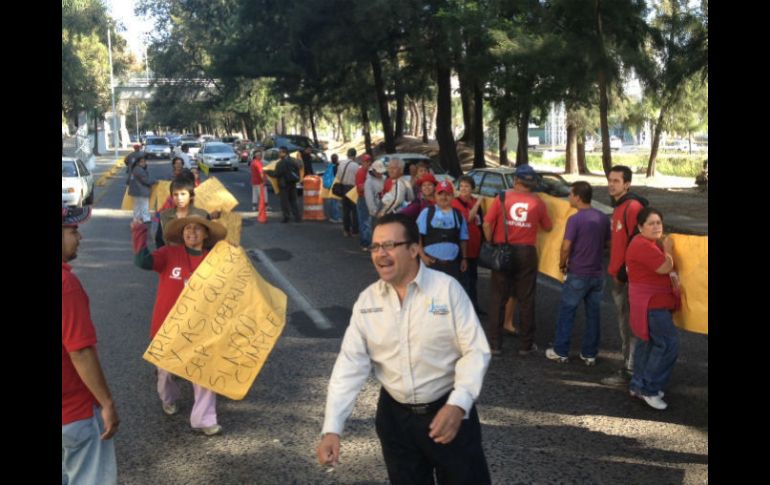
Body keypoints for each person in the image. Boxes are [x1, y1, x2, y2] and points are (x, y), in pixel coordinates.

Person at [316, 213, 492, 484]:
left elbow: (475, 351)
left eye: (389, 245)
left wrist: (459, 404)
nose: (380, 254)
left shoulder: (447, 290)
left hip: (448, 412)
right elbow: (349, 367)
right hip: (396, 420)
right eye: (375, 247)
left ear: (414, 249)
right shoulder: (367, 301)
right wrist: (332, 429)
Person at [131, 213, 228, 435]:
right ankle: (169, 398)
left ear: (206, 234)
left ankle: (205, 419)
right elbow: (143, 261)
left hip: (199, 330)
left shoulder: (214, 260)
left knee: (202, 374)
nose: (191, 232)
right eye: (187, 228)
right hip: (166, 329)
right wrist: (138, 232)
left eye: (197, 228)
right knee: (165, 374)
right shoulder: (168, 253)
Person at [62, 206, 119, 485]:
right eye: (72, 231)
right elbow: (80, 351)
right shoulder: (65, 285)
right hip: (73, 412)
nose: (79, 237)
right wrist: (107, 403)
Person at [482, 164, 552, 356]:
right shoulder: (537, 202)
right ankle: (526, 345)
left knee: (498, 298)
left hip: (503, 250)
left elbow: (487, 223)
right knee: (527, 299)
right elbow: (547, 226)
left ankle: (495, 344)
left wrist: (491, 241)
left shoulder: (502, 198)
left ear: (515, 180)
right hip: (526, 253)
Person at [545, 181, 611, 365]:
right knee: (593, 315)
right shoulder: (602, 218)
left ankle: (561, 351)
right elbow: (608, 244)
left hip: (577, 273)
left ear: (578, 197)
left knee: (567, 312)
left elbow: (566, 246)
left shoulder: (575, 219)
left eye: (570, 194)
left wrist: (561, 263)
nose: (568, 197)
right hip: (597, 274)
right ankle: (589, 354)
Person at [626, 207, 680, 410]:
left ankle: (638, 385)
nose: (657, 226)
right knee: (667, 344)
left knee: (647, 344)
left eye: (659, 222)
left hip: (647, 303)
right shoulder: (643, 245)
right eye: (651, 223)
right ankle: (649, 389)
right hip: (653, 304)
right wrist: (668, 250)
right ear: (640, 227)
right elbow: (664, 268)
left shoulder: (645, 243)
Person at [601, 165, 649, 387]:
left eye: (616, 181)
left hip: (628, 280)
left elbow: (638, 242)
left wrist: (622, 273)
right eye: (610, 180)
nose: (611, 184)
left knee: (631, 327)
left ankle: (630, 371)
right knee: (624, 325)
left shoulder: (632, 207)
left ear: (627, 184)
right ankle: (630, 368)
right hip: (619, 278)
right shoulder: (620, 206)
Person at [417, 180, 469, 281]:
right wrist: (422, 256)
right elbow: (417, 236)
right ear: (435, 196)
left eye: (447, 194)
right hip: (431, 264)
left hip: (452, 265)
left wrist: (464, 259)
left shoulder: (458, 215)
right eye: (440, 194)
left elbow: (463, 239)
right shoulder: (427, 212)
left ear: (452, 196)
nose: (443, 197)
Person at [452, 175, 484, 313]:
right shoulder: (456, 202)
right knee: (464, 278)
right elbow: (468, 219)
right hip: (463, 245)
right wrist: (477, 204)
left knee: (473, 277)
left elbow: (480, 222)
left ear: (472, 188)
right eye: (462, 186)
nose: (464, 189)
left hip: (475, 244)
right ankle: (465, 309)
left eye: (467, 186)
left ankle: (474, 306)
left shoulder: (475, 201)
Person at [157, 174, 211, 247]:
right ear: (172, 197)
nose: (179, 198)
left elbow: (209, 241)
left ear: (191, 196)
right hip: (172, 255)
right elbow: (159, 240)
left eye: (183, 194)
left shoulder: (202, 215)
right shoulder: (165, 215)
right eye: (175, 195)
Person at [128, 154, 157, 231]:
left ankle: (136, 220)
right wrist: (155, 181)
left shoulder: (134, 169)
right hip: (141, 191)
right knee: (144, 206)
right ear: (137, 163)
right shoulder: (140, 170)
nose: (144, 163)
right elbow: (146, 181)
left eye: (144, 161)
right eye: (142, 162)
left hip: (135, 191)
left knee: (137, 207)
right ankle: (146, 220)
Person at [275, 146, 302, 223]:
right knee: (293, 200)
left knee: (284, 202)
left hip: (283, 185)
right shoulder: (293, 160)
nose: (279, 154)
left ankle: (286, 217)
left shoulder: (280, 163)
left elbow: (277, 173)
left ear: (284, 153)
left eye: (280, 152)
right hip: (292, 183)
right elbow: (299, 167)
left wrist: (267, 172)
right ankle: (297, 217)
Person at [337, 148, 360, 236]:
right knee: (355, 211)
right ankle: (355, 230)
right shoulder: (356, 165)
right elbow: (358, 178)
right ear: (355, 155)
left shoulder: (341, 164)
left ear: (347, 154)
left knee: (345, 210)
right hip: (353, 189)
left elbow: (338, 177)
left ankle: (346, 230)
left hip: (343, 188)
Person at [355, 154, 373, 249]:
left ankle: (367, 241)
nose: (368, 163)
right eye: (366, 161)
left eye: (369, 161)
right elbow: (360, 187)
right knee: (364, 221)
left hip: (367, 198)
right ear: (362, 162)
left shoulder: (368, 172)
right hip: (362, 198)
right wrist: (370, 186)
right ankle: (365, 242)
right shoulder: (361, 172)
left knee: (367, 221)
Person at [364, 160, 387, 227]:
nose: (380, 174)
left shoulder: (384, 178)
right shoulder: (369, 182)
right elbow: (369, 199)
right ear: (373, 171)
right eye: (378, 172)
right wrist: (375, 212)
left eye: (381, 172)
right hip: (376, 212)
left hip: (386, 209)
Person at [324, 154, 342, 223]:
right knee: (335, 202)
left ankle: (332, 217)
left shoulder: (329, 166)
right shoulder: (337, 166)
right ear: (337, 159)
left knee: (331, 202)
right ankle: (336, 217)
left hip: (329, 185)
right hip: (336, 186)